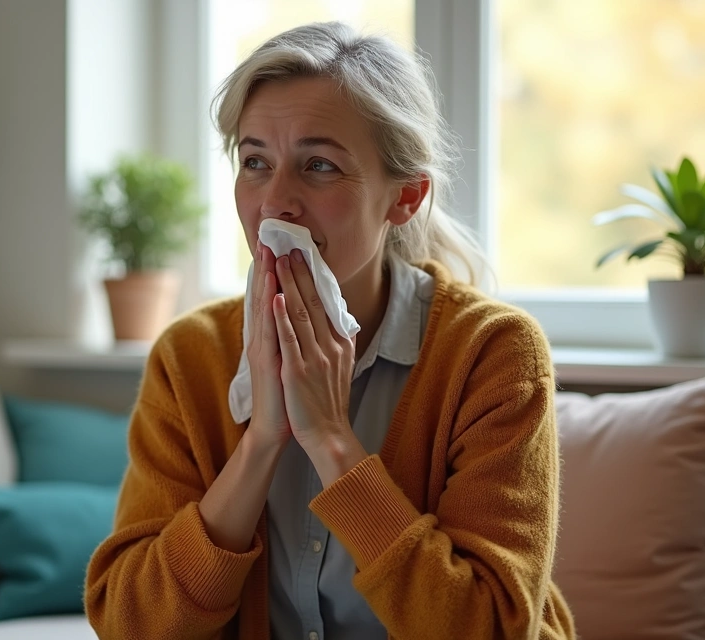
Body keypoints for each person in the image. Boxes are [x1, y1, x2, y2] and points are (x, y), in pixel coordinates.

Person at [86, 21, 575, 640]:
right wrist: (261, 442)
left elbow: (492, 627)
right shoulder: (189, 357)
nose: (274, 202)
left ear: (405, 197)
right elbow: (129, 624)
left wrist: (330, 439)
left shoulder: (492, 354)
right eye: (255, 162)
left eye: (318, 165)